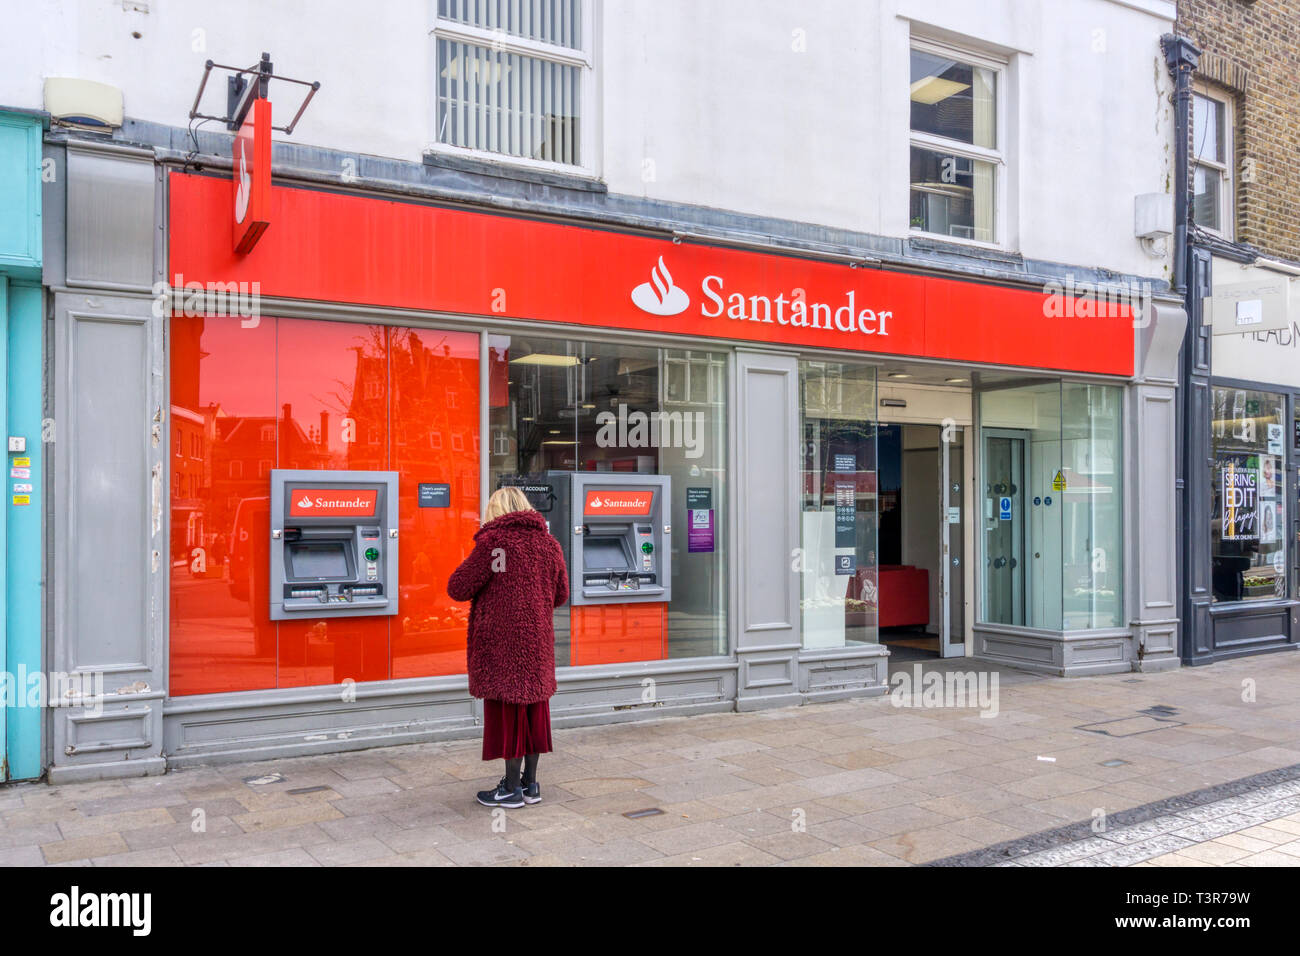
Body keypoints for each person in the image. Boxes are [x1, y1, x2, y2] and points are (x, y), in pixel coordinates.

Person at [447, 486, 568, 809]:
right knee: (534, 709)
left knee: (509, 710)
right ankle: (530, 785)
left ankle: (510, 789)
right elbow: (561, 594)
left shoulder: (493, 542)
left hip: (503, 643)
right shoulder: (548, 544)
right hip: (537, 641)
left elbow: (458, 588)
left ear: (495, 511)